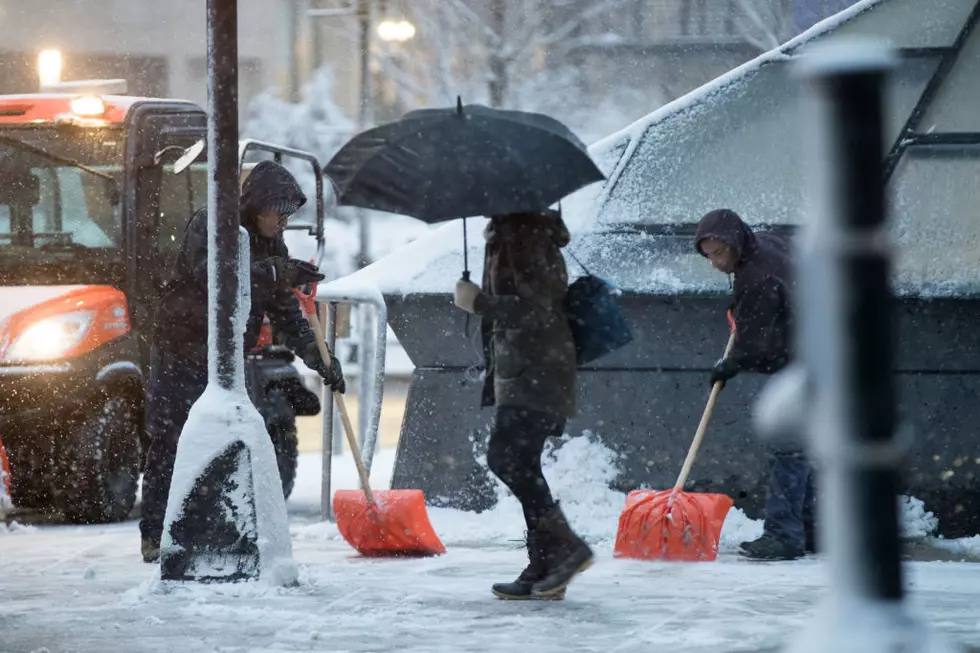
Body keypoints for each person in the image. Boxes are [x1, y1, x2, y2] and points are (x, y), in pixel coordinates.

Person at [139, 161, 345, 563]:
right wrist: (271, 271)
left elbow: (286, 311)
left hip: (228, 355)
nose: (284, 223)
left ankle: (215, 526)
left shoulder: (272, 246)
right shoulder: (213, 226)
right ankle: (156, 536)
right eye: (278, 213)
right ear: (257, 206)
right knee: (172, 439)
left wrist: (320, 359)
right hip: (183, 349)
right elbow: (215, 276)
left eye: (289, 216)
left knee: (231, 437)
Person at [453, 209, 593, 600]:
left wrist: (480, 303)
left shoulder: (526, 237)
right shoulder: (507, 233)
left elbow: (539, 311)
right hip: (522, 370)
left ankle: (566, 549)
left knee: (506, 458)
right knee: (523, 462)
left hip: (538, 370)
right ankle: (546, 565)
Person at [694, 207, 815, 561]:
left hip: (806, 359)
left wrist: (728, 367)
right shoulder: (765, 244)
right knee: (806, 449)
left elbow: (756, 348)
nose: (715, 262)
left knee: (789, 448)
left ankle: (784, 535)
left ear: (735, 242)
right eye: (708, 256)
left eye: (719, 253)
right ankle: (811, 530)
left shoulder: (754, 279)